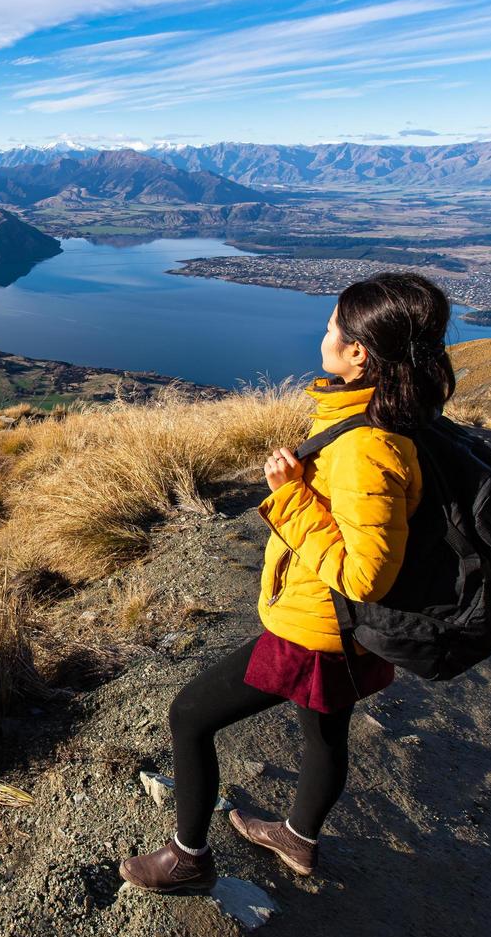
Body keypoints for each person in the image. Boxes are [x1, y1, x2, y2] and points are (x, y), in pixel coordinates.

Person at [119, 272, 458, 894]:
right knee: (323, 728)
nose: (323, 334)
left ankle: (188, 858)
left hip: (317, 628)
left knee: (190, 715)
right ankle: (299, 839)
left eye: (333, 327)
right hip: (341, 632)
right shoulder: (390, 417)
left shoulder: (367, 446)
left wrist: (290, 498)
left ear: (360, 353)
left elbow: (366, 574)